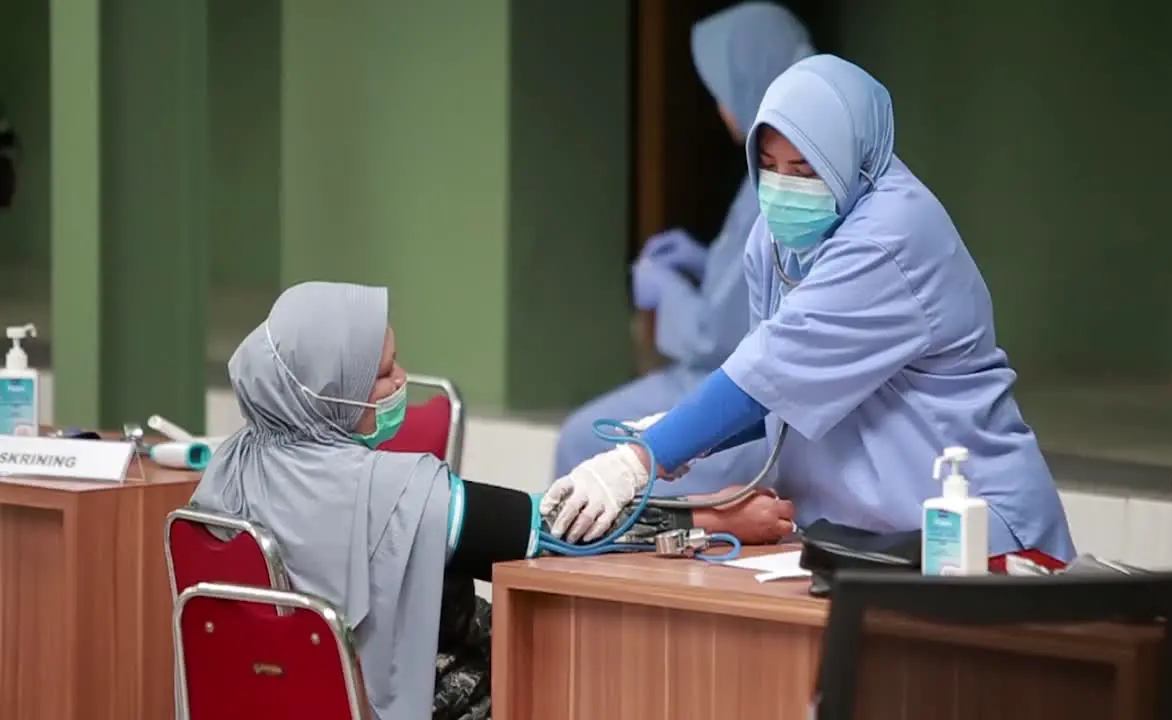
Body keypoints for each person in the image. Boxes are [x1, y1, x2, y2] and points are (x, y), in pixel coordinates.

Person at [543, 55, 1077, 563]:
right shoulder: (773, 240)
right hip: (864, 541)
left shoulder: (893, 235)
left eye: (804, 169)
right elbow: (784, 394)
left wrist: (639, 462)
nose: (782, 190)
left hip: (977, 539)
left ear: (855, 159)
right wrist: (683, 436)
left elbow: (769, 371)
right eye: (769, 167)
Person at [188, 281, 794, 719]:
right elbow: (558, 530)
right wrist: (715, 515)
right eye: (383, 373)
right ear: (328, 391)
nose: (402, 382)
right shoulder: (392, 496)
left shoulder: (228, 468)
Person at [552, 2, 815, 496]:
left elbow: (718, 339)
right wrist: (707, 263)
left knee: (582, 444)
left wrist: (668, 290)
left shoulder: (783, 188)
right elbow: (759, 285)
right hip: (736, 384)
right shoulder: (775, 177)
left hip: (745, 397)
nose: (720, 107)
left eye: (723, 91)